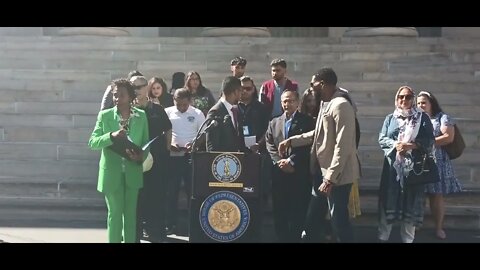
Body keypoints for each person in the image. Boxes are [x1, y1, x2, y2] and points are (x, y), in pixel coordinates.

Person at [278, 68, 359, 243]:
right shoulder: (326, 103)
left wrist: (330, 179)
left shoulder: (341, 105)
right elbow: (318, 133)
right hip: (322, 174)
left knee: (338, 221)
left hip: (337, 176)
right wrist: (291, 141)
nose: (310, 87)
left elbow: (342, 146)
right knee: (313, 219)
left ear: (322, 83)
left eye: (312, 83)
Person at [88, 78, 149, 243]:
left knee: (130, 216)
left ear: (130, 96)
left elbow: (146, 143)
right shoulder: (105, 115)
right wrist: (110, 136)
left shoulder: (141, 116)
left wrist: (141, 156)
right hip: (111, 173)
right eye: (115, 95)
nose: (117, 98)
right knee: (115, 214)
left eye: (121, 95)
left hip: (132, 172)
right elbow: (92, 142)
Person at [376, 85, 435, 243]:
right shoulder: (390, 118)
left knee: (411, 204)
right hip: (392, 171)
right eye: (401, 97)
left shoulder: (422, 118)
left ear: (413, 99)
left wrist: (411, 146)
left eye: (408, 97)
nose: (404, 99)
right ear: (397, 99)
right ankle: (383, 237)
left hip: (413, 171)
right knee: (388, 202)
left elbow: (430, 141)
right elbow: (382, 138)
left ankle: (408, 240)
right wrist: (396, 145)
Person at [265, 89, 315, 242]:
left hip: (298, 173)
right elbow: (270, 144)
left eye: (291, 100)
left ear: (298, 102)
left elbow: (308, 146)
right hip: (279, 175)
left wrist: (291, 161)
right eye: (284, 101)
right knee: (280, 210)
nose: (287, 104)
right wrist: (279, 162)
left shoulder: (307, 121)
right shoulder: (274, 122)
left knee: (297, 209)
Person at [131, 75, 172, 243]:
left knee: (156, 197)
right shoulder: (128, 110)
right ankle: (136, 232)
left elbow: (168, 128)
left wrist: (167, 150)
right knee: (137, 199)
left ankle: (156, 232)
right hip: (136, 162)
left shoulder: (157, 109)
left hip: (157, 162)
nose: (137, 90)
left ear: (147, 87)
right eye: (133, 87)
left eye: (140, 86)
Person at [416, 90, 462, 240]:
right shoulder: (414, 119)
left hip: (438, 162)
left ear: (431, 103)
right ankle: (415, 225)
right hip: (418, 162)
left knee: (436, 196)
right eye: (418, 103)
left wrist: (425, 143)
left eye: (424, 102)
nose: (421, 105)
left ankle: (439, 228)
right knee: (417, 196)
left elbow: (448, 137)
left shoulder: (443, 117)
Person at [164, 88, 205, 235]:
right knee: (171, 192)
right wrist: (169, 144)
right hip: (173, 158)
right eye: (178, 104)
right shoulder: (167, 112)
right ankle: (170, 224)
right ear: (173, 100)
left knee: (191, 192)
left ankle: (193, 225)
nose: (181, 108)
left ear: (190, 101)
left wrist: (195, 144)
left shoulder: (197, 113)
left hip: (190, 157)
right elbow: (162, 132)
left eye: (184, 105)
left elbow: (204, 133)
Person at [205, 76, 247, 152]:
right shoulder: (215, 112)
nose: (242, 93)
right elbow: (212, 145)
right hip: (223, 161)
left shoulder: (236, 110)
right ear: (235, 91)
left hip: (236, 160)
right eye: (240, 90)